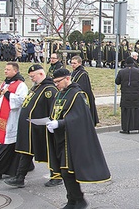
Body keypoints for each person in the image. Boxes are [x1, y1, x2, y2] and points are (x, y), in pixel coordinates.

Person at [47, 68, 111, 208]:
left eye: (58, 81)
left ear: (67, 78)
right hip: (60, 138)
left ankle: (79, 200)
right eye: (55, 82)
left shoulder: (77, 94)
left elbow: (80, 117)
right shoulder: (60, 94)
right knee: (63, 172)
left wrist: (60, 123)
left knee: (67, 171)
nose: (56, 84)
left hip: (72, 139)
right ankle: (72, 200)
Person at [4, 64, 62, 188]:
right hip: (30, 128)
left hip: (42, 128)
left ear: (41, 74)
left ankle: (56, 176)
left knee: (50, 151)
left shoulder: (49, 89)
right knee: (25, 151)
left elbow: (54, 109)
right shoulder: (37, 88)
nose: (32, 79)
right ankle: (20, 178)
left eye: (33, 77)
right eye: (30, 77)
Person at [0, 62, 28, 180]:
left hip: (12, 118)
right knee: (7, 143)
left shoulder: (21, 85)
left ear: (15, 71)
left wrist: (7, 94)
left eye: (8, 69)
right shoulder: (6, 82)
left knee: (8, 143)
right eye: (5, 69)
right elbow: (1, 98)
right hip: (3, 118)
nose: (5, 71)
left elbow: (21, 101)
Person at [115, 57, 139, 134]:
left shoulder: (121, 72)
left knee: (126, 111)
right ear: (133, 63)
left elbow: (117, 82)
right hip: (136, 94)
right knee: (138, 111)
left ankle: (126, 129)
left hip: (126, 95)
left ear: (126, 63)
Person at [70, 55, 99, 125]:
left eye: (74, 63)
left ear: (79, 63)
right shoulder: (73, 72)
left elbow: (83, 88)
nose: (72, 65)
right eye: (72, 63)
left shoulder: (83, 73)